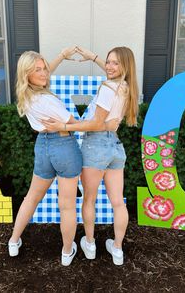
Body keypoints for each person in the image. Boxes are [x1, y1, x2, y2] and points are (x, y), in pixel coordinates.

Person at [8, 48, 118, 267]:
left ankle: (13, 241)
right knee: (67, 206)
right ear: (26, 74)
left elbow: (46, 72)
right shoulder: (47, 101)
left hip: (43, 147)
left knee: (31, 197)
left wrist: (61, 55)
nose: (44, 73)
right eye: (37, 70)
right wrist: (102, 125)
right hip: (64, 147)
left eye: (43, 68)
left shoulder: (27, 95)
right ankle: (67, 252)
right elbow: (73, 123)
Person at [43, 46, 139, 266]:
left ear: (125, 66)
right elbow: (106, 121)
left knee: (89, 199)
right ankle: (117, 249)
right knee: (118, 202)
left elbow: (96, 124)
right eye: (108, 61)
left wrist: (64, 125)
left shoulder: (107, 87)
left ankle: (90, 244)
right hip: (115, 146)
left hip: (96, 146)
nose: (109, 66)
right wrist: (93, 57)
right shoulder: (126, 86)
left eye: (115, 63)